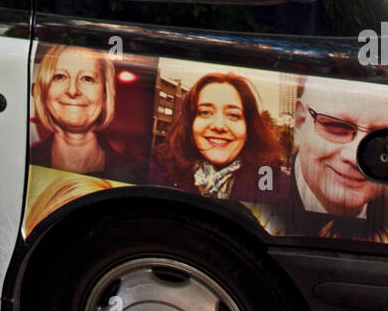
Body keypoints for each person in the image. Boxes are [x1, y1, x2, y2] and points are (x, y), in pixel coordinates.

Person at [276, 78, 388, 245]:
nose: (354, 159)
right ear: (300, 122)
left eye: (382, 139)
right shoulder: (258, 195)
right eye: (337, 127)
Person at [150, 72, 281, 201]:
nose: (219, 126)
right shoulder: (152, 174)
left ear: (249, 129)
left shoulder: (274, 184)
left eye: (233, 115)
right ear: (190, 124)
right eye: (205, 112)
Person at [30, 44, 145, 182]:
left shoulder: (134, 172)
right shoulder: (24, 158)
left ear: (104, 95)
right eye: (60, 77)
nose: (73, 91)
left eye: (87, 79)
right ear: (44, 91)